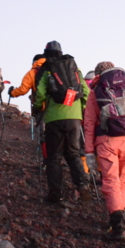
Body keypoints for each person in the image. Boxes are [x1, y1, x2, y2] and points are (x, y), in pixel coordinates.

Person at [83, 61, 125, 240]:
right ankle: (119, 218)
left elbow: (89, 124)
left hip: (106, 140)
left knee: (110, 181)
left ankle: (117, 226)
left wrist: (89, 153)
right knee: (121, 180)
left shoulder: (96, 92)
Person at [34, 41, 90, 205]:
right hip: (74, 118)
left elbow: (40, 94)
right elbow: (85, 91)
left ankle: (55, 195)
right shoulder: (74, 68)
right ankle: (82, 184)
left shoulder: (46, 69)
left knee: (54, 158)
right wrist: (80, 108)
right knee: (73, 153)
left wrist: (38, 108)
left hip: (54, 118)